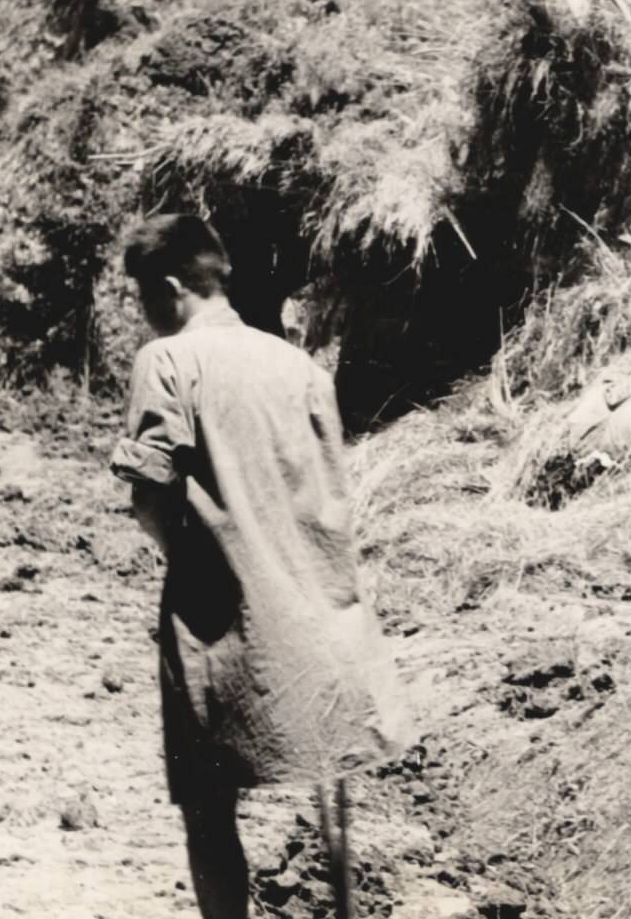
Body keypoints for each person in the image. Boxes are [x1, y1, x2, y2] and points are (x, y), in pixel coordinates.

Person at [109, 215, 411, 917]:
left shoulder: (168, 361)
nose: (145, 313)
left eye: (143, 297)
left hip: (218, 616)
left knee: (211, 812)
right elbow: (331, 499)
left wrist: (194, 558)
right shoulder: (298, 365)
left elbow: (150, 497)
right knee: (332, 788)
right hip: (317, 615)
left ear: (171, 287)